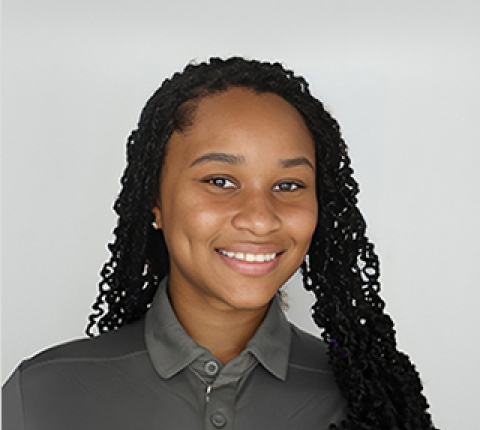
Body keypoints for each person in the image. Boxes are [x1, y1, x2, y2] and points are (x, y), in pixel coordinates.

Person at [2, 57, 438, 430]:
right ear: (154, 199)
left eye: (288, 184)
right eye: (220, 181)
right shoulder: (40, 397)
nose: (260, 217)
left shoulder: (373, 403)